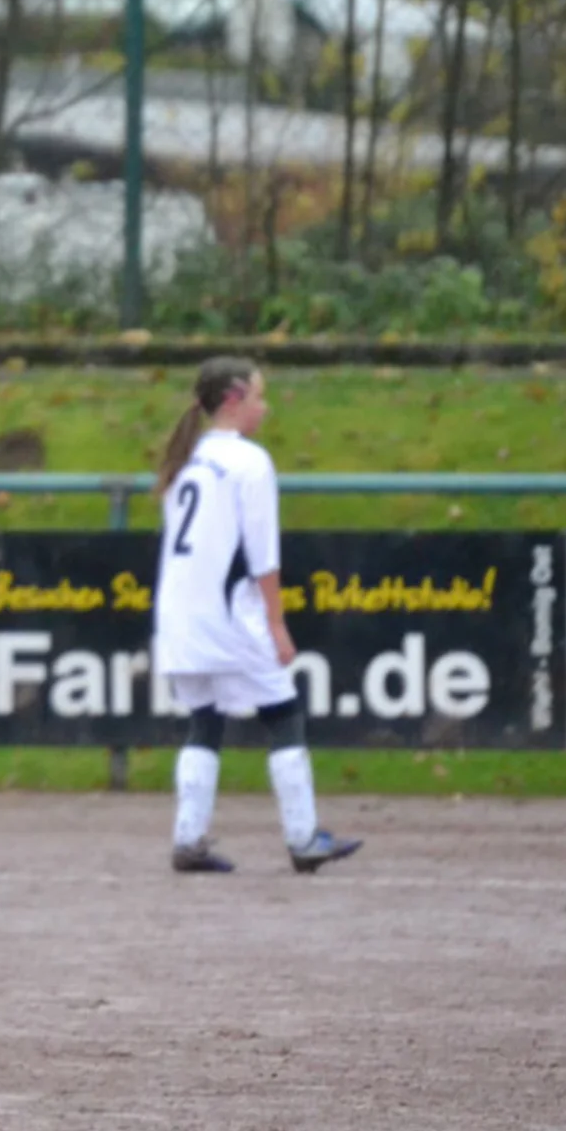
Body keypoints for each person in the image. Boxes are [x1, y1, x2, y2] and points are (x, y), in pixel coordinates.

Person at [154, 357, 363, 875]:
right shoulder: (249, 462)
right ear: (233, 399)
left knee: (204, 721)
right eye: (259, 398)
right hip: (228, 616)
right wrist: (276, 622)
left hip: (180, 615)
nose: (264, 408)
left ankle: (188, 839)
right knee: (283, 713)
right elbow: (263, 555)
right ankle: (303, 838)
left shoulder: (186, 462)